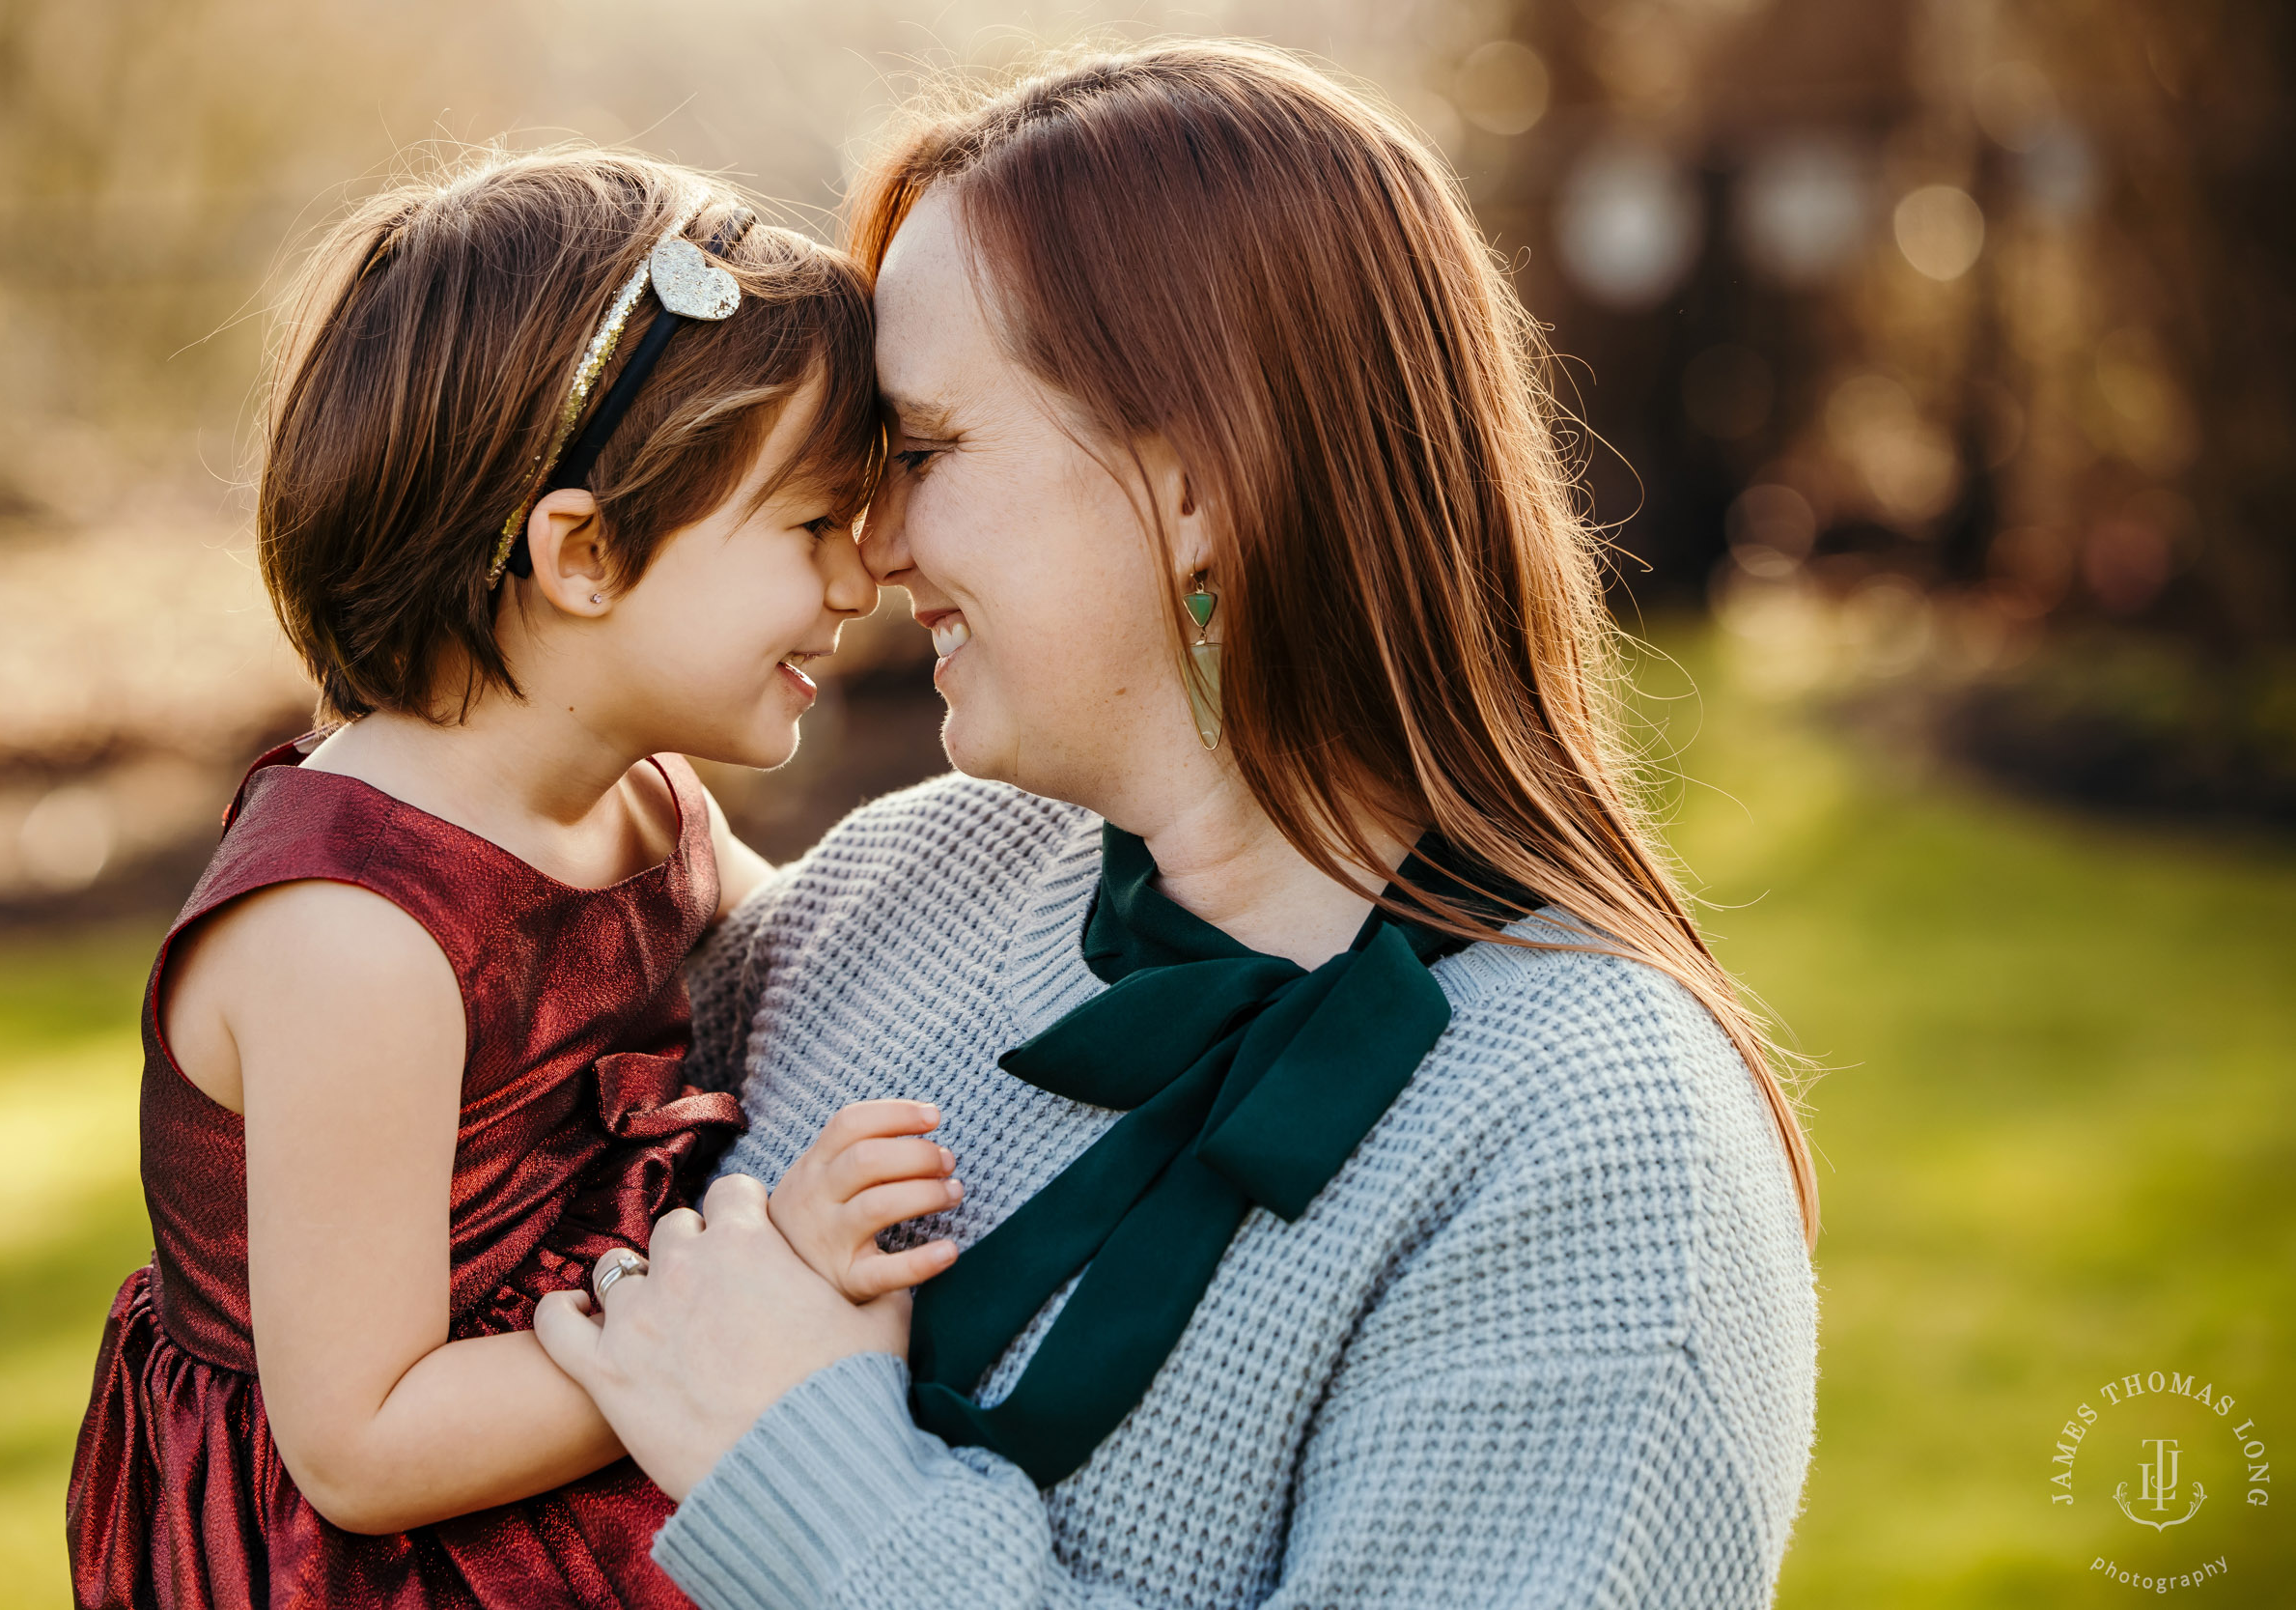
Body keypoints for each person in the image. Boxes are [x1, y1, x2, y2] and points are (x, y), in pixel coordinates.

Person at [538, 40, 1822, 1610]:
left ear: (1206, 478)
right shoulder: (891, 888)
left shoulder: (1594, 1153)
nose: (870, 544)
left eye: (927, 449)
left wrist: (816, 1482)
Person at [67, 150, 962, 1608]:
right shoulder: (356, 932)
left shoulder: (644, 805)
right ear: (585, 553)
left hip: (567, 1479)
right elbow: (360, 1443)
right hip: (395, 1558)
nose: (859, 583)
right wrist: (759, 1289)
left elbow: (828, 965)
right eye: (810, 527)